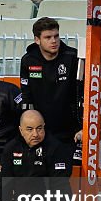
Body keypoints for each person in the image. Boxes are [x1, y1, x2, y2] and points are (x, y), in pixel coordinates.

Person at [19, 16, 81, 147]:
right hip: (41, 129)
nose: (54, 41)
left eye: (56, 36)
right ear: (37, 40)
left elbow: (82, 94)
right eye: (48, 37)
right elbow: (26, 96)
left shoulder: (73, 57)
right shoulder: (28, 60)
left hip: (70, 128)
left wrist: (82, 127)